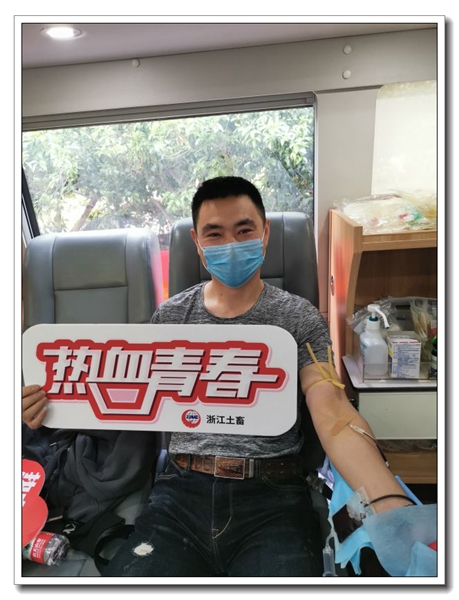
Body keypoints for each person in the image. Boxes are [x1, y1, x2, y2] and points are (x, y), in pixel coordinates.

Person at [23, 176, 411, 577]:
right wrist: (50, 407)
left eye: (244, 231)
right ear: (197, 242)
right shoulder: (170, 318)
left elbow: (333, 413)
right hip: (179, 493)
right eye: (215, 234)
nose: (231, 244)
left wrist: (389, 503)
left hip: (273, 496)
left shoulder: (300, 318)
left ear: (265, 233)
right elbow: (124, 399)